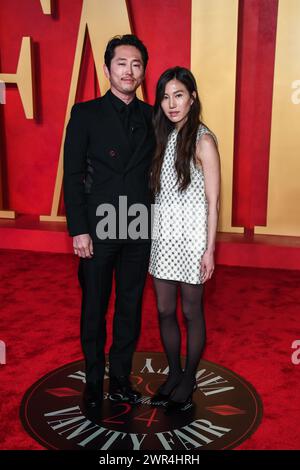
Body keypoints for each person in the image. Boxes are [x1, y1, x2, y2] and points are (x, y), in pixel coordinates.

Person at [63, 35, 155, 408]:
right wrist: (78, 229)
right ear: (107, 69)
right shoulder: (85, 113)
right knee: (94, 306)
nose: (128, 70)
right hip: (98, 225)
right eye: (121, 63)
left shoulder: (153, 115)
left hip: (138, 223)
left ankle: (119, 378)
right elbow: (72, 175)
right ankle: (93, 376)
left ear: (142, 71)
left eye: (135, 64)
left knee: (131, 305)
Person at [148, 66, 220, 413]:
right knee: (164, 309)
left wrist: (209, 250)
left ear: (192, 97)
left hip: (192, 241)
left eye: (178, 95)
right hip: (163, 237)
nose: (172, 103)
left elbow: (213, 201)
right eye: (165, 96)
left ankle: (189, 376)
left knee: (191, 312)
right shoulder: (162, 136)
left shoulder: (203, 139)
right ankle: (174, 372)